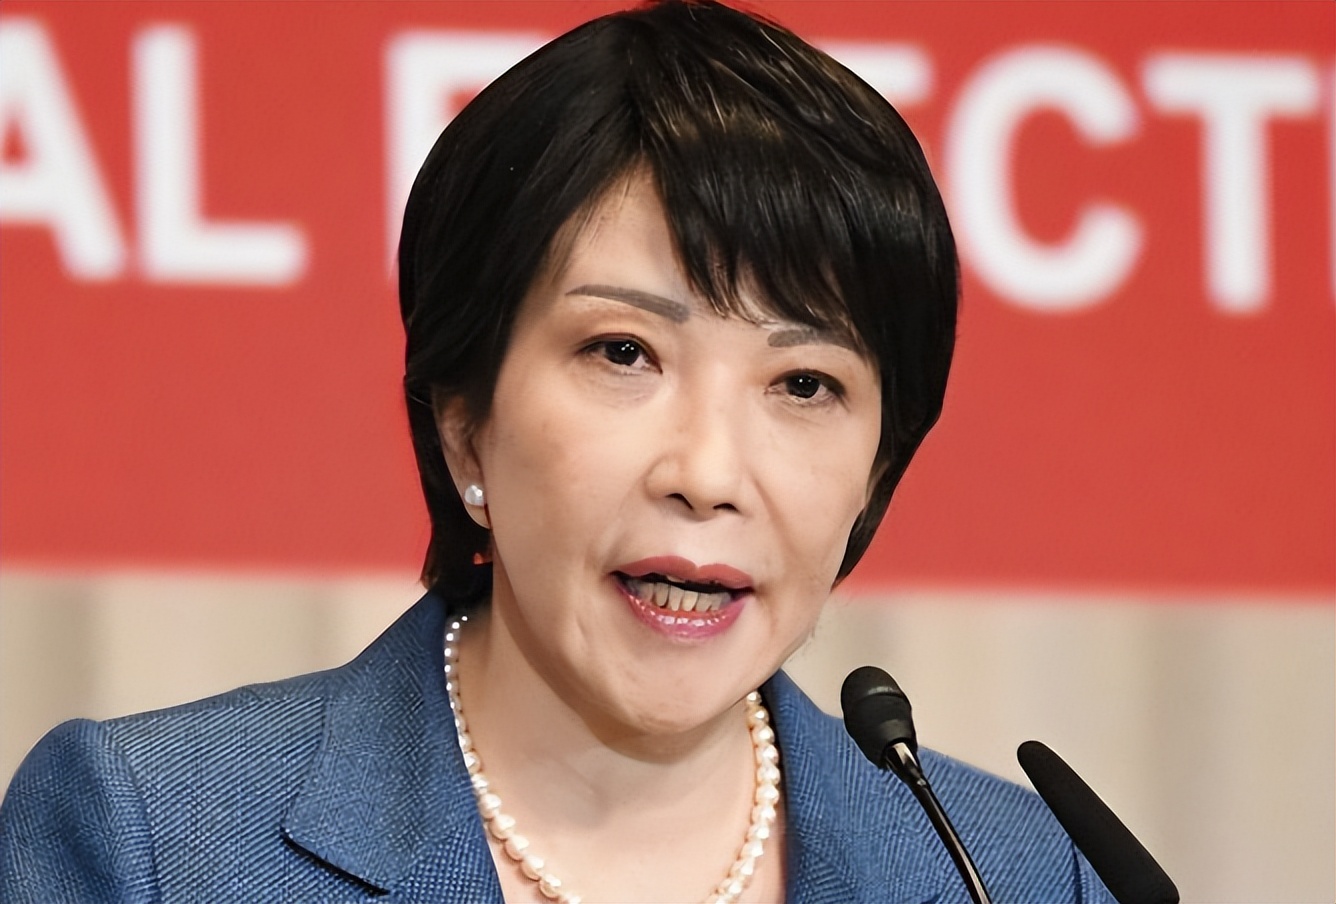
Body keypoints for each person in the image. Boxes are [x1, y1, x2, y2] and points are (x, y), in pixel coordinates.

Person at [0, 2, 1114, 901]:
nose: (707, 474)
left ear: (878, 467)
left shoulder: (1014, 875)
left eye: (804, 384)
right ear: (464, 421)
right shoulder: (157, 840)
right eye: (624, 352)